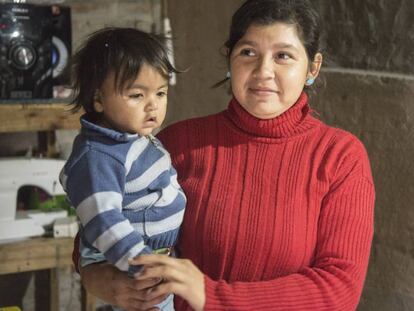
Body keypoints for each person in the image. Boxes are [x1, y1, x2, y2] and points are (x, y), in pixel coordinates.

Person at [74, 1, 375, 310]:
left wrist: (209, 295)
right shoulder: (176, 144)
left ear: (313, 68)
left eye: (283, 56)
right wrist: (100, 278)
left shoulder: (339, 158)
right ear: (229, 60)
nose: (263, 71)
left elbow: (338, 291)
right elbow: (100, 220)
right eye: (248, 52)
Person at [60, 27, 186, 311]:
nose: (153, 105)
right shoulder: (99, 157)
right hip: (132, 267)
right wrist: (144, 266)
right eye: (137, 95)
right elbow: (105, 221)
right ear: (98, 99)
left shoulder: (132, 139)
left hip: (153, 261)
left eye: (161, 92)